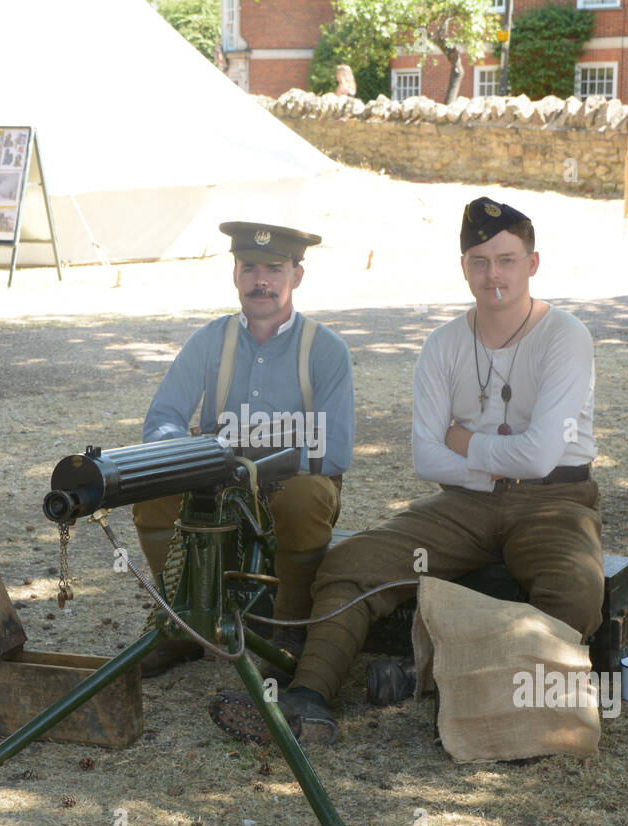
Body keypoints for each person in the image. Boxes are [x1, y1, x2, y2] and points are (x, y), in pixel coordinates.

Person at [210, 198, 603, 745]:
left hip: (555, 501)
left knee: (576, 591)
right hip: (464, 503)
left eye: (507, 260)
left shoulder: (566, 335)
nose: (494, 275)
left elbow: (540, 458)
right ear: (464, 266)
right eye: (481, 261)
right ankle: (308, 699)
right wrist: (489, 463)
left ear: (532, 264)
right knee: (350, 564)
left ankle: (425, 677)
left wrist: (465, 440)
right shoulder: (442, 345)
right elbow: (427, 458)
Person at [132, 221, 355, 677]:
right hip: (213, 482)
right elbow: (162, 421)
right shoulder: (209, 340)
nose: (262, 281)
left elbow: (335, 452)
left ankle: (290, 626)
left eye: (275, 268)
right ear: (235, 274)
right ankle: (180, 620)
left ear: (297, 275)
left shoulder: (326, 348)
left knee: (304, 497)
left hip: (290, 485)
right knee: (149, 488)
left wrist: (244, 454)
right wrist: (183, 455)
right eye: (249, 267)